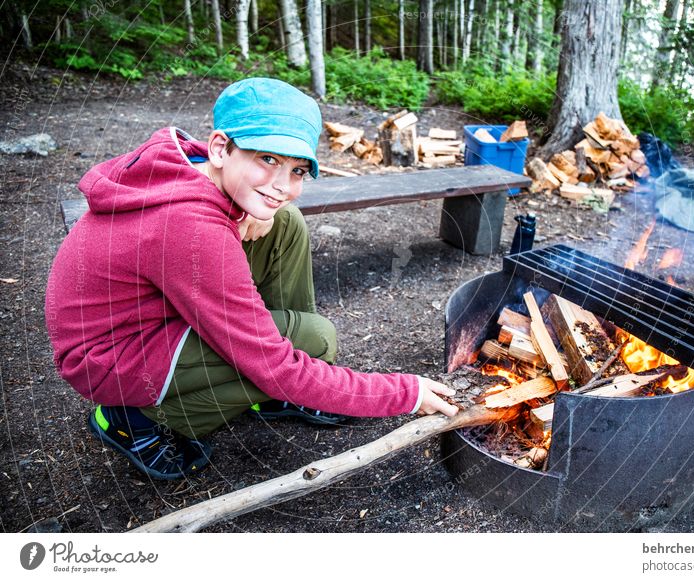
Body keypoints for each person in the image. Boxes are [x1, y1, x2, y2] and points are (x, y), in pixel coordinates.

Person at [45, 78, 458, 481]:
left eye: (297, 170)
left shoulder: (188, 166)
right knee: (315, 339)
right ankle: (129, 419)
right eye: (269, 159)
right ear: (221, 147)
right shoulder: (189, 230)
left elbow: (253, 202)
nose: (283, 185)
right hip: (112, 358)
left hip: (148, 311)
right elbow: (274, 363)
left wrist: (252, 211)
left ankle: (277, 395)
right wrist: (405, 393)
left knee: (285, 221)